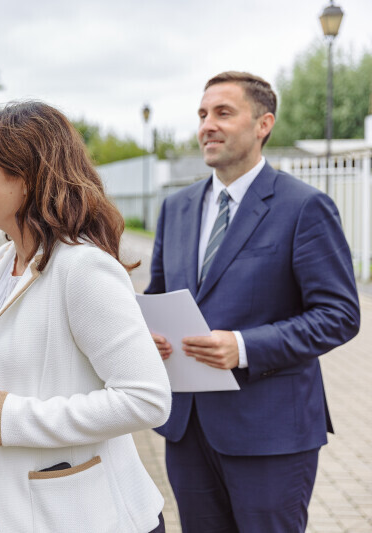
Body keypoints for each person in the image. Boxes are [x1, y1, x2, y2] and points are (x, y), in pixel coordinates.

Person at [0, 101, 172, 533]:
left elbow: (147, 399)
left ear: (27, 176)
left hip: (89, 518)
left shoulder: (82, 268)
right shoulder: (0, 263)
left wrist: (7, 416)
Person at [146, 71, 360, 532]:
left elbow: (340, 315)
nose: (207, 125)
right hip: (186, 427)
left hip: (271, 430)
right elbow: (158, 294)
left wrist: (242, 347)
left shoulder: (304, 207)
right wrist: (147, 335)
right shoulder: (176, 208)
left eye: (223, 112)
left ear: (264, 124)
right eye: (202, 114)